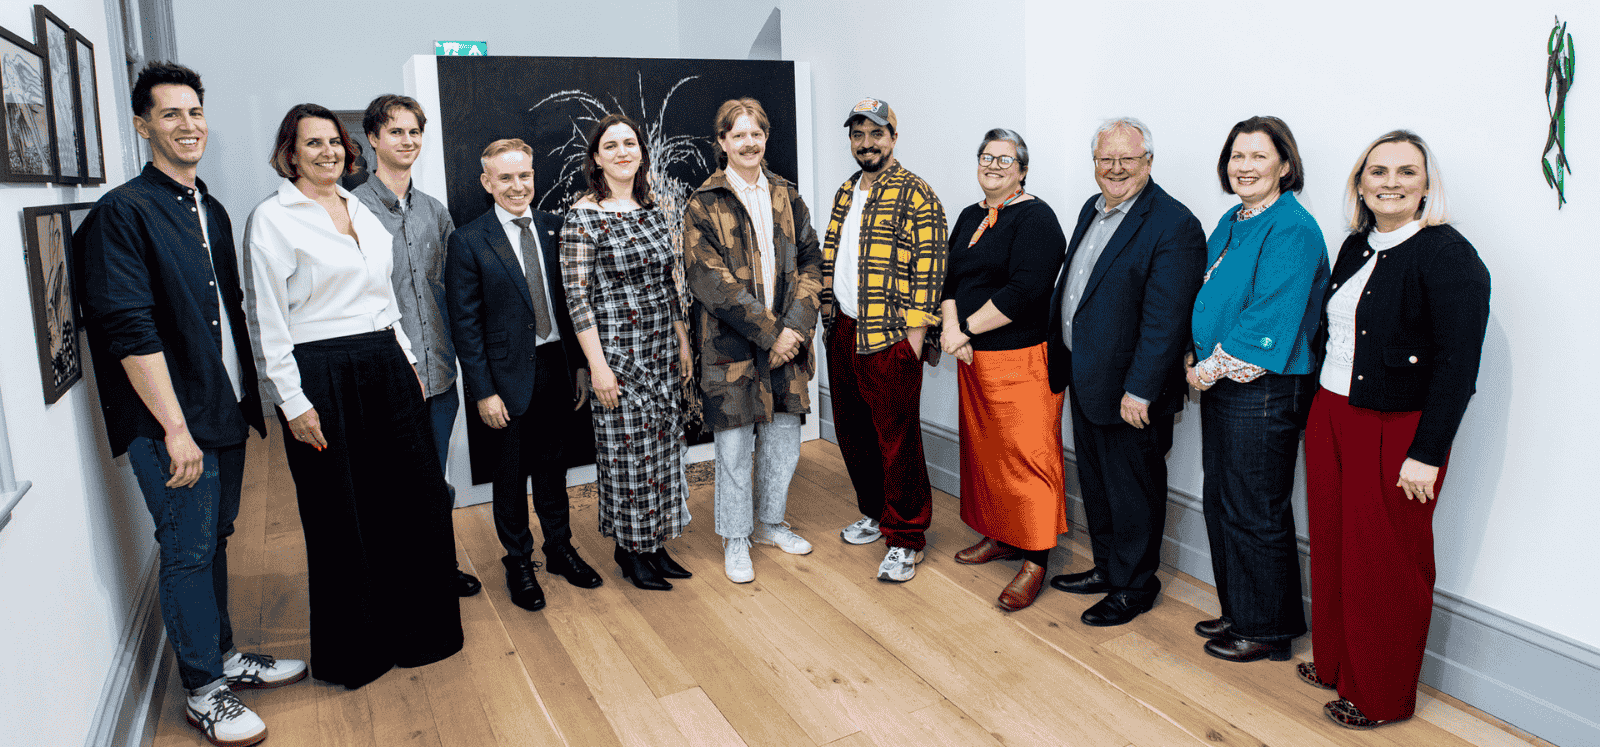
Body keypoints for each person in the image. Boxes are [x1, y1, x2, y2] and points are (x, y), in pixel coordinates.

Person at [75, 61, 302, 747]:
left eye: (195, 112)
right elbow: (130, 331)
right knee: (185, 550)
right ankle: (204, 690)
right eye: (170, 114)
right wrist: (174, 429)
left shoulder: (209, 207)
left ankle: (225, 655)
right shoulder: (123, 213)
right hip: (170, 425)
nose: (188, 125)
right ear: (143, 124)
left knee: (214, 540)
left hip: (219, 410)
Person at [243, 103, 463, 689]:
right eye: (312, 143)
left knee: (411, 499)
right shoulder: (272, 218)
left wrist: (410, 363)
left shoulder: (360, 209)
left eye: (334, 142)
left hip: (385, 361)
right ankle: (358, 652)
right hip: (320, 371)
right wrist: (292, 401)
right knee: (341, 513)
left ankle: (422, 634)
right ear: (290, 154)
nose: (327, 152)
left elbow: (385, 299)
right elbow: (267, 321)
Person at [1303, 131, 1489, 729]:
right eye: (1377, 171)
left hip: (1397, 429)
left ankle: (1378, 694)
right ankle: (1336, 663)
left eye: (1406, 172)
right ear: (1360, 183)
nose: (1390, 182)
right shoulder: (1357, 245)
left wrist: (1427, 452)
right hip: (1332, 413)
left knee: (1385, 561)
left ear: (1426, 184)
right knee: (1334, 545)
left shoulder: (1447, 255)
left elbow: (1459, 367)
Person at [1046, 118, 1205, 626]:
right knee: (1097, 483)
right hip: (1087, 378)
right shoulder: (1090, 211)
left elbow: (1167, 319)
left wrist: (1141, 390)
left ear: (1148, 162)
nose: (1115, 169)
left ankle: (1135, 587)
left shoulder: (1173, 223)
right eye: (1105, 159)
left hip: (1131, 392)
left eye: (1127, 159)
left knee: (1133, 491)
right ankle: (1109, 569)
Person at [1185, 116, 1328, 662]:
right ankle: (1241, 608)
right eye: (1236, 156)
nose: (1243, 166)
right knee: (1222, 499)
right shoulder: (1235, 217)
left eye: (1258, 156)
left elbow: (1269, 318)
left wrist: (1205, 370)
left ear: (1285, 166)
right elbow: (1209, 292)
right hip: (1224, 379)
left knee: (1255, 508)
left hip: (1265, 387)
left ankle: (1267, 628)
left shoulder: (1292, 228)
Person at [447, 138, 602, 610]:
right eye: (506, 178)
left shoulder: (557, 228)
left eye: (525, 176)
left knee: (554, 466)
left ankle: (559, 548)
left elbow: (574, 304)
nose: (518, 186)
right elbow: (465, 326)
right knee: (510, 476)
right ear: (487, 182)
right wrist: (483, 392)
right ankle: (518, 560)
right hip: (503, 379)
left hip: (557, 367)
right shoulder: (470, 240)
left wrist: (578, 365)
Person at [683, 98, 823, 584]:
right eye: (737, 135)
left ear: (766, 138)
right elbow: (710, 283)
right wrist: (771, 335)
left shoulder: (787, 194)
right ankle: (736, 537)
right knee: (735, 447)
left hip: (788, 345)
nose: (748, 143)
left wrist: (796, 330)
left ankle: (769, 524)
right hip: (732, 349)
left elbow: (811, 263)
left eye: (756, 134)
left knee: (784, 442)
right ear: (722, 142)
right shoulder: (703, 202)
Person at [349, 93, 480, 599]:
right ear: (374, 139)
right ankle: (395, 579)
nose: (407, 141)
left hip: (440, 372)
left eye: (414, 132)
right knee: (389, 484)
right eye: (396, 131)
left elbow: (453, 287)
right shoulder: (351, 210)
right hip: (386, 373)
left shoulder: (434, 213)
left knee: (433, 480)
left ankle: (436, 569)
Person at [561, 113, 694, 591]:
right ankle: (630, 551)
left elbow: (670, 278)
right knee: (625, 457)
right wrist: (597, 367)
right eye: (611, 145)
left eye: (630, 143)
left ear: (641, 152)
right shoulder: (584, 216)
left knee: (661, 451)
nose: (622, 151)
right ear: (597, 158)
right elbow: (576, 297)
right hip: (617, 353)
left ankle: (654, 544)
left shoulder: (653, 208)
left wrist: (682, 341)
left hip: (660, 348)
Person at [939, 128, 1068, 611]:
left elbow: (1025, 291)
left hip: (1022, 358)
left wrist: (964, 330)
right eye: (986, 157)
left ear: (1023, 169)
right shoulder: (972, 215)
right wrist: (953, 330)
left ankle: (1035, 558)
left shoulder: (1037, 218)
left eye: (1005, 159)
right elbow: (950, 278)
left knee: (1027, 457)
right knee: (986, 453)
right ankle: (1000, 535)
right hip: (973, 359)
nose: (994, 165)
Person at [822, 97, 948, 583]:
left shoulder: (917, 193)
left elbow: (930, 269)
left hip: (892, 336)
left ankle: (907, 536)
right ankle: (876, 514)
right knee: (854, 431)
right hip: (846, 328)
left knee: (898, 441)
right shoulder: (846, 191)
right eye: (858, 134)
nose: (867, 143)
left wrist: (915, 339)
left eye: (876, 133)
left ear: (894, 137)